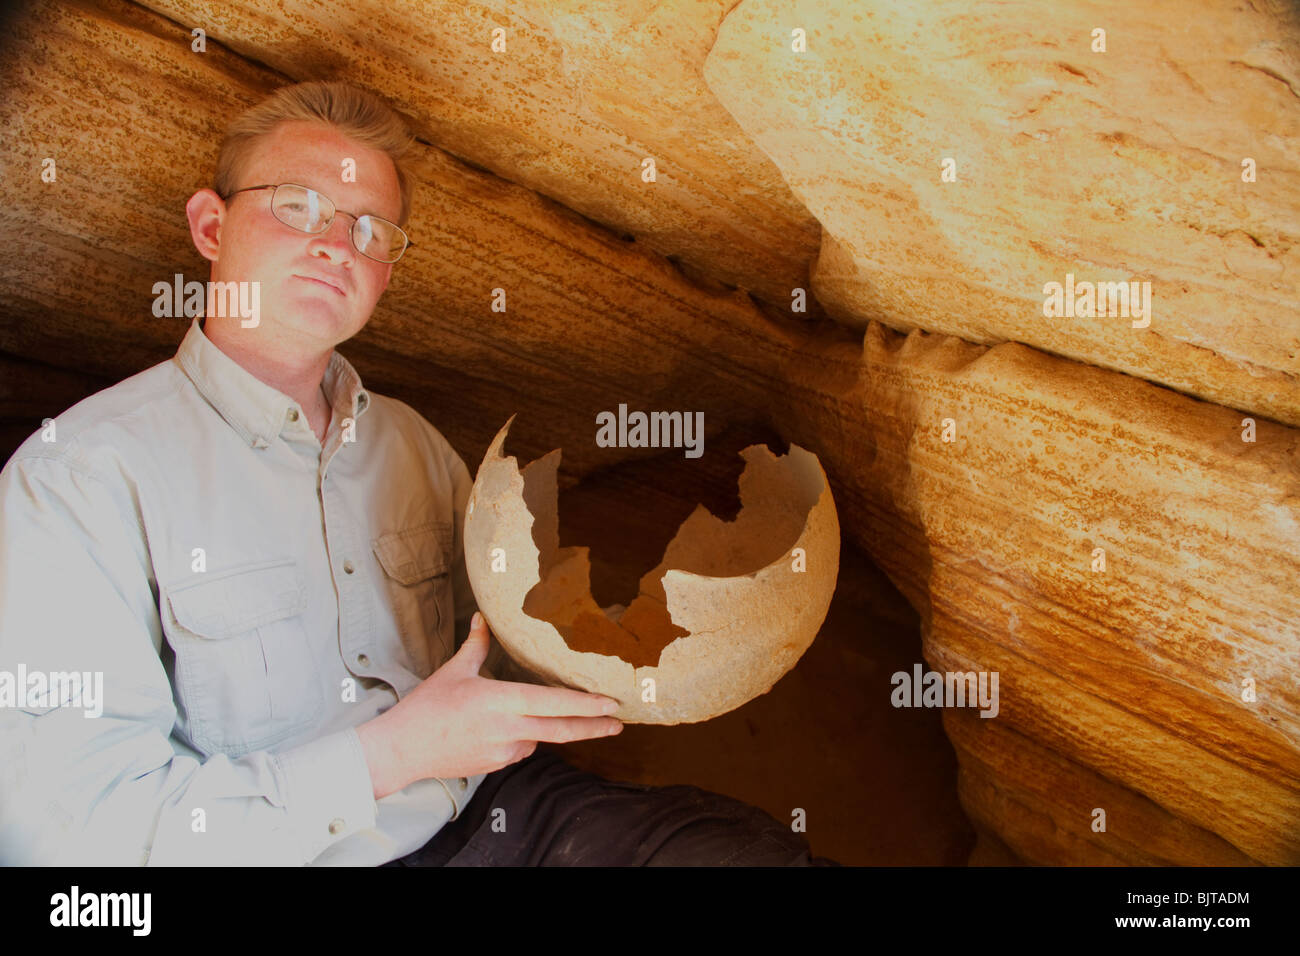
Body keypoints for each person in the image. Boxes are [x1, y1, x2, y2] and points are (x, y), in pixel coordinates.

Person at [0, 80, 827, 866]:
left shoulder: (416, 447)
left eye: (370, 229)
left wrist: (651, 653)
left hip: (490, 814)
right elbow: (78, 844)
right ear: (211, 227)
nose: (335, 244)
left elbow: (500, 656)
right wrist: (388, 757)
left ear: (387, 270)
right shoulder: (76, 480)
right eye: (297, 207)